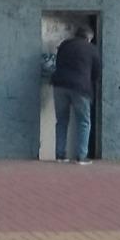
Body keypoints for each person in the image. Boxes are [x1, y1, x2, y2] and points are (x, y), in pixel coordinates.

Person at [50, 25, 100, 165]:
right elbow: (96, 72)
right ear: (89, 38)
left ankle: (60, 155)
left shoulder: (64, 45)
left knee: (61, 120)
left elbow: (57, 63)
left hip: (59, 85)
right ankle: (81, 156)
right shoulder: (92, 49)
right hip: (80, 87)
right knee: (83, 121)